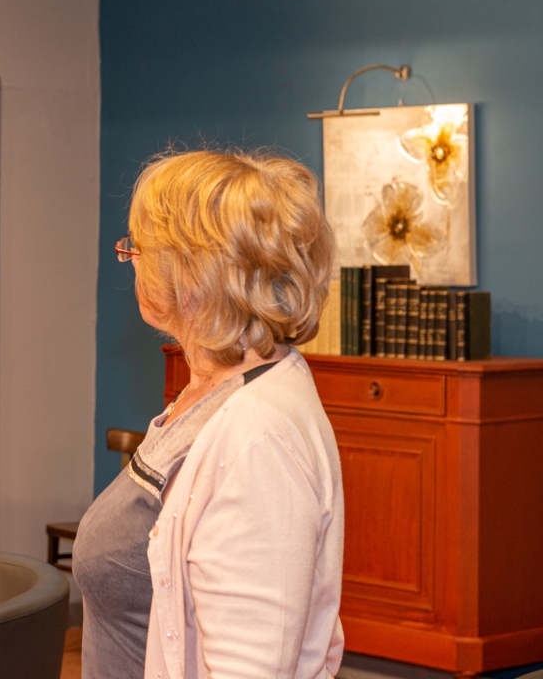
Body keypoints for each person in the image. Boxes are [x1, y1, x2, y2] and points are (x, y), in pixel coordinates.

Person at [71, 150, 344, 678]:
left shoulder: (258, 437)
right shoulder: (210, 389)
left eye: (138, 249)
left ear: (189, 276)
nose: (132, 260)